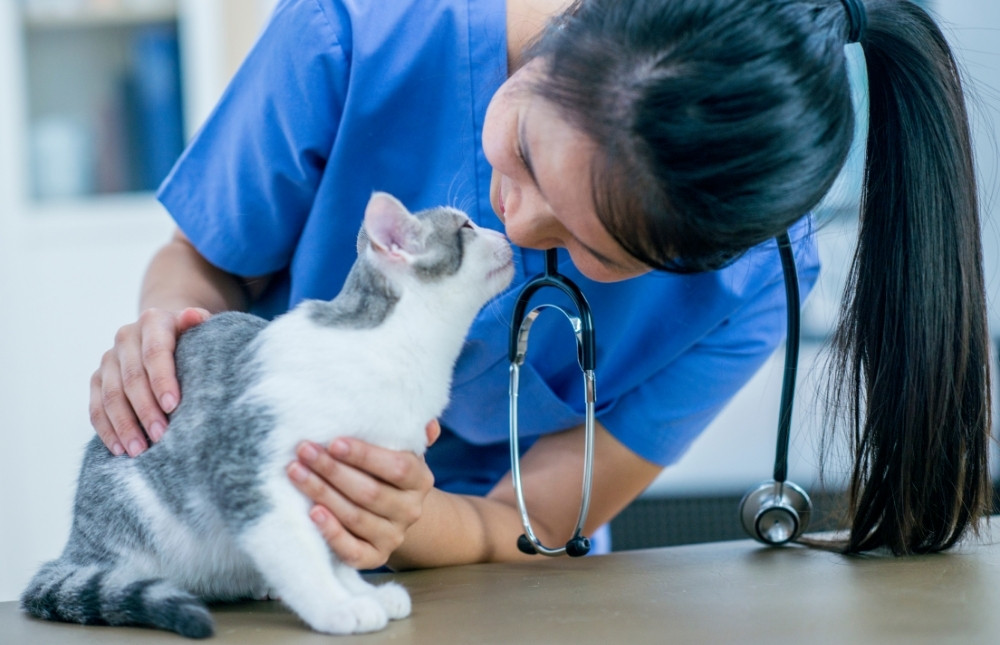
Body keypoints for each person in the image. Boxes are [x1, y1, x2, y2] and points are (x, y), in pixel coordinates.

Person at [90, 0, 990, 568]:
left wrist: (407, 523)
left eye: (592, 253)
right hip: (252, 522)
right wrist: (170, 334)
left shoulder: (750, 284)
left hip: (502, 588)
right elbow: (202, 261)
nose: (515, 227)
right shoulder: (353, 31)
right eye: (523, 149)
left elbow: (518, 525)